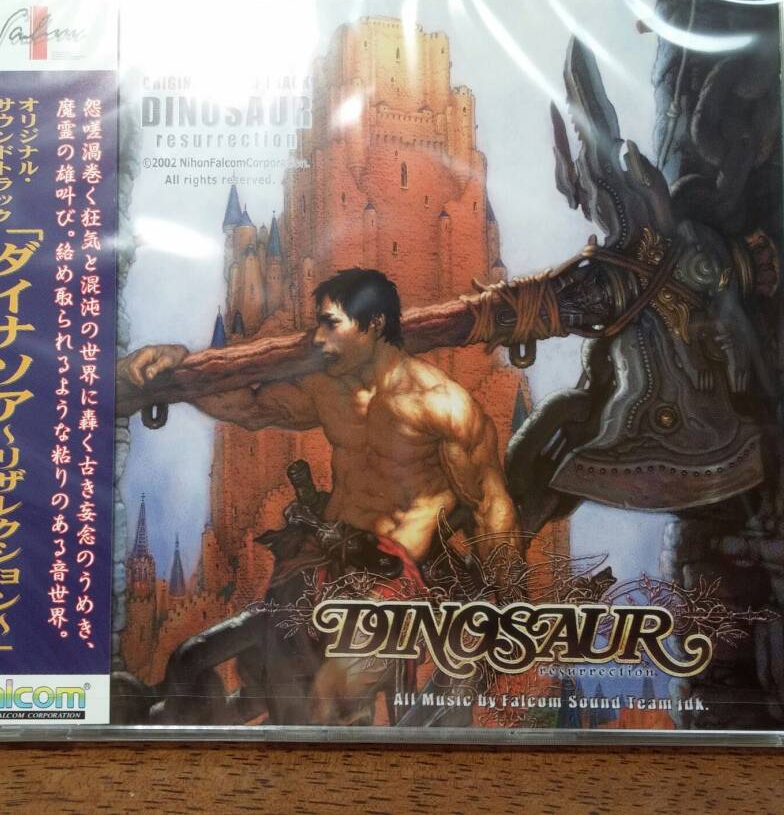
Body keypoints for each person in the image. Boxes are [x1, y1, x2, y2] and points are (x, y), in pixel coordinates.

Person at [122, 267, 518, 723]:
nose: (317, 338)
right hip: (315, 570)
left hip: (386, 587)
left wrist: (506, 610)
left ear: (374, 325)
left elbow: (491, 507)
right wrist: (179, 370)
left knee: (320, 705)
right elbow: (250, 408)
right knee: (190, 658)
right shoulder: (329, 391)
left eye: (331, 323)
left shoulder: (444, 405)